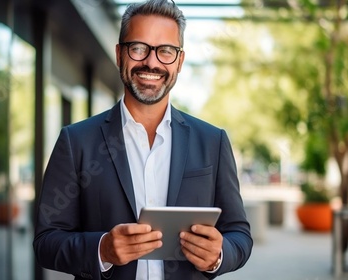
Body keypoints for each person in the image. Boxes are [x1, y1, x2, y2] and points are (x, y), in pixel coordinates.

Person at [33, 0, 252, 279]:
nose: (151, 62)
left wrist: (218, 256)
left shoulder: (213, 141)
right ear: (119, 54)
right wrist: (102, 250)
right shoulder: (75, 141)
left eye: (166, 51)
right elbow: (46, 242)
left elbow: (240, 235)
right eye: (138, 48)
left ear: (180, 61)